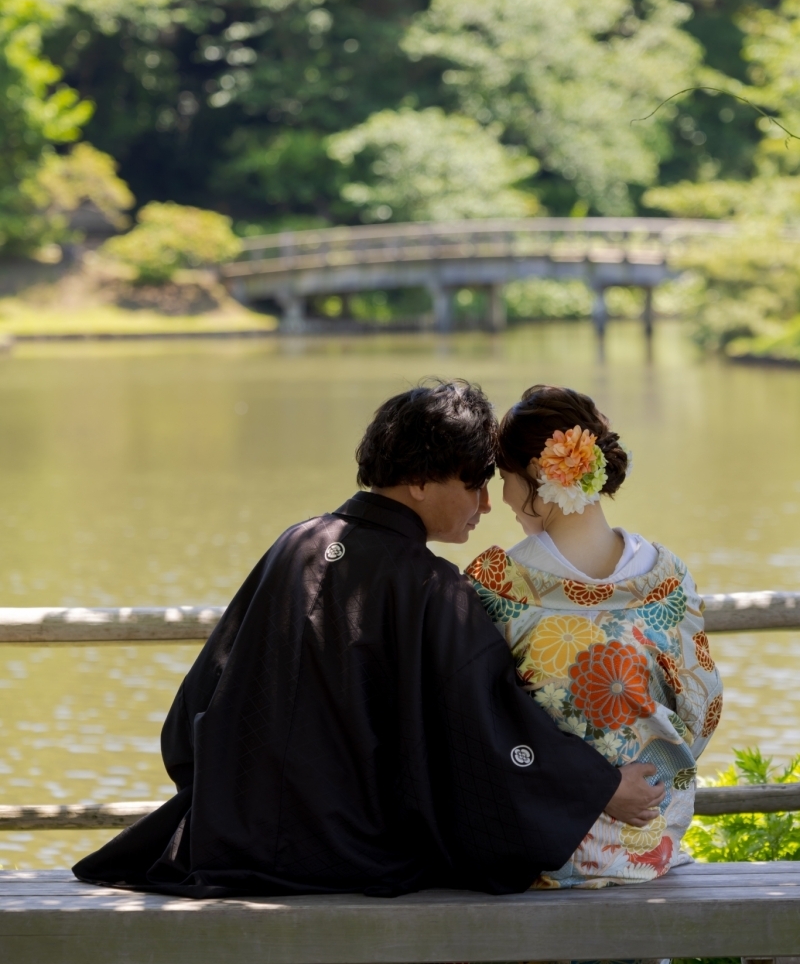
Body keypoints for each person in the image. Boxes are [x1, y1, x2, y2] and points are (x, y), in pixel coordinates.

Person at [74, 380, 663, 899]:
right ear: (416, 480)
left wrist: (239, 800)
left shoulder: (298, 545)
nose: (486, 504)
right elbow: (490, 730)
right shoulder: (433, 589)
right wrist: (601, 787)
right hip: (353, 856)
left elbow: (194, 711)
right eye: (473, 483)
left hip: (234, 842)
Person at [466, 383, 723, 889]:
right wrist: (650, 767)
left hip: (543, 845)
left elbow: (483, 720)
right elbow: (703, 703)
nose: (503, 498)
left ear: (540, 475)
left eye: (505, 478)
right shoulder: (667, 575)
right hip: (649, 839)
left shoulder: (499, 582)